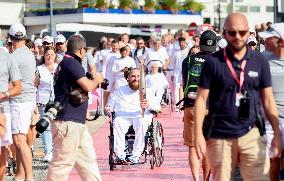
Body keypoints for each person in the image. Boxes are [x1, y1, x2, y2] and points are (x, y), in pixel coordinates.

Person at [194, 13, 282, 180]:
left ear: (248, 33)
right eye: (232, 33)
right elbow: (201, 100)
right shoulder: (213, 62)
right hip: (220, 136)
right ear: (225, 33)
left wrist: (277, 133)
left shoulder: (259, 60)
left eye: (242, 32)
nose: (237, 37)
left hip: (252, 133)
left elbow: (268, 100)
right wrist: (197, 134)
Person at [46, 34, 103, 181]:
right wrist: (98, 79)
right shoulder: (71, 63)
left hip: (76, 123)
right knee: (61, 165)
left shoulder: (65, 63)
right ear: (82, 50)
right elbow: (89, 86)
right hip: (68, 123)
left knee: (89, 163)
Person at [181, 30, 216, 181]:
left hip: (191, 105)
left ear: (200, 44)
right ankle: (206, 179)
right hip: (211, 108)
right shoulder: (219, 61)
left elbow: (184, 82)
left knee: (193, 146)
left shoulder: (188, 60)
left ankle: (196, 179)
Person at [107, 68, 161, 164]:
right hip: (123, 116)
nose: (136, 79)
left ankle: (135, 156)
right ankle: (120, 156)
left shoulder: (147, 91)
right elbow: (110, 106)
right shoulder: (119, 90)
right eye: (133, 76)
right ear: (127, 78)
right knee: (117, 121)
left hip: (141, 116)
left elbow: (158, 108)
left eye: (138, 77)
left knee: (141, 122)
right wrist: (108, 109)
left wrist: (148, 105)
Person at [8, 23, 37, 181]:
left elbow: (9, 83)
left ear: (11, 38)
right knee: (21, 139)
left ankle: (29, 178)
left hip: (19, 100)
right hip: (28, 99)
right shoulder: (28, 53)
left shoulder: (14, 57)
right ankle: (20, 175)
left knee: (19, 140)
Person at [258, 23, 284, 181]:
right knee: (271, 166)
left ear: (281, 41)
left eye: (269, 39)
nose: (264, 42)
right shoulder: (262, 59)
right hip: (269, 122)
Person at [0, 50, 21, 181]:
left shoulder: (7, 58)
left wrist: (3, 94)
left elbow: (18, 87)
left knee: (2, 151)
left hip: (2, 110)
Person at [34, 46, 58, 162]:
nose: (49, 56)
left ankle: (57, 151)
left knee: (58, 127)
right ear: (44, 56)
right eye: (47, 54)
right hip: (43, 102)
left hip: (58, 102)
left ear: (55, 56)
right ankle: (48, 152)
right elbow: (35, 86)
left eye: (52, 54)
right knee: (46, 127)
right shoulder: (39, 69)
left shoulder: (60, 68)